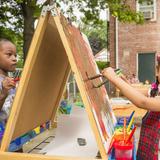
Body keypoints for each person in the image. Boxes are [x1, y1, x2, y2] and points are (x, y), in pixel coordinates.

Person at [102, 59, 160, 159]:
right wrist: (123, 81)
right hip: (148, 147)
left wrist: (114, 78)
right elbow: (136, 91)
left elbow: (143, 101)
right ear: (157, 71)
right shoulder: (156, 89)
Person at [0, 38, 22, 152]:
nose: (14, 58)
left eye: (15, 55)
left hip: (14, 138)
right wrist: (3, 92)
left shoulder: (11, 81)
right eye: (9, 54)